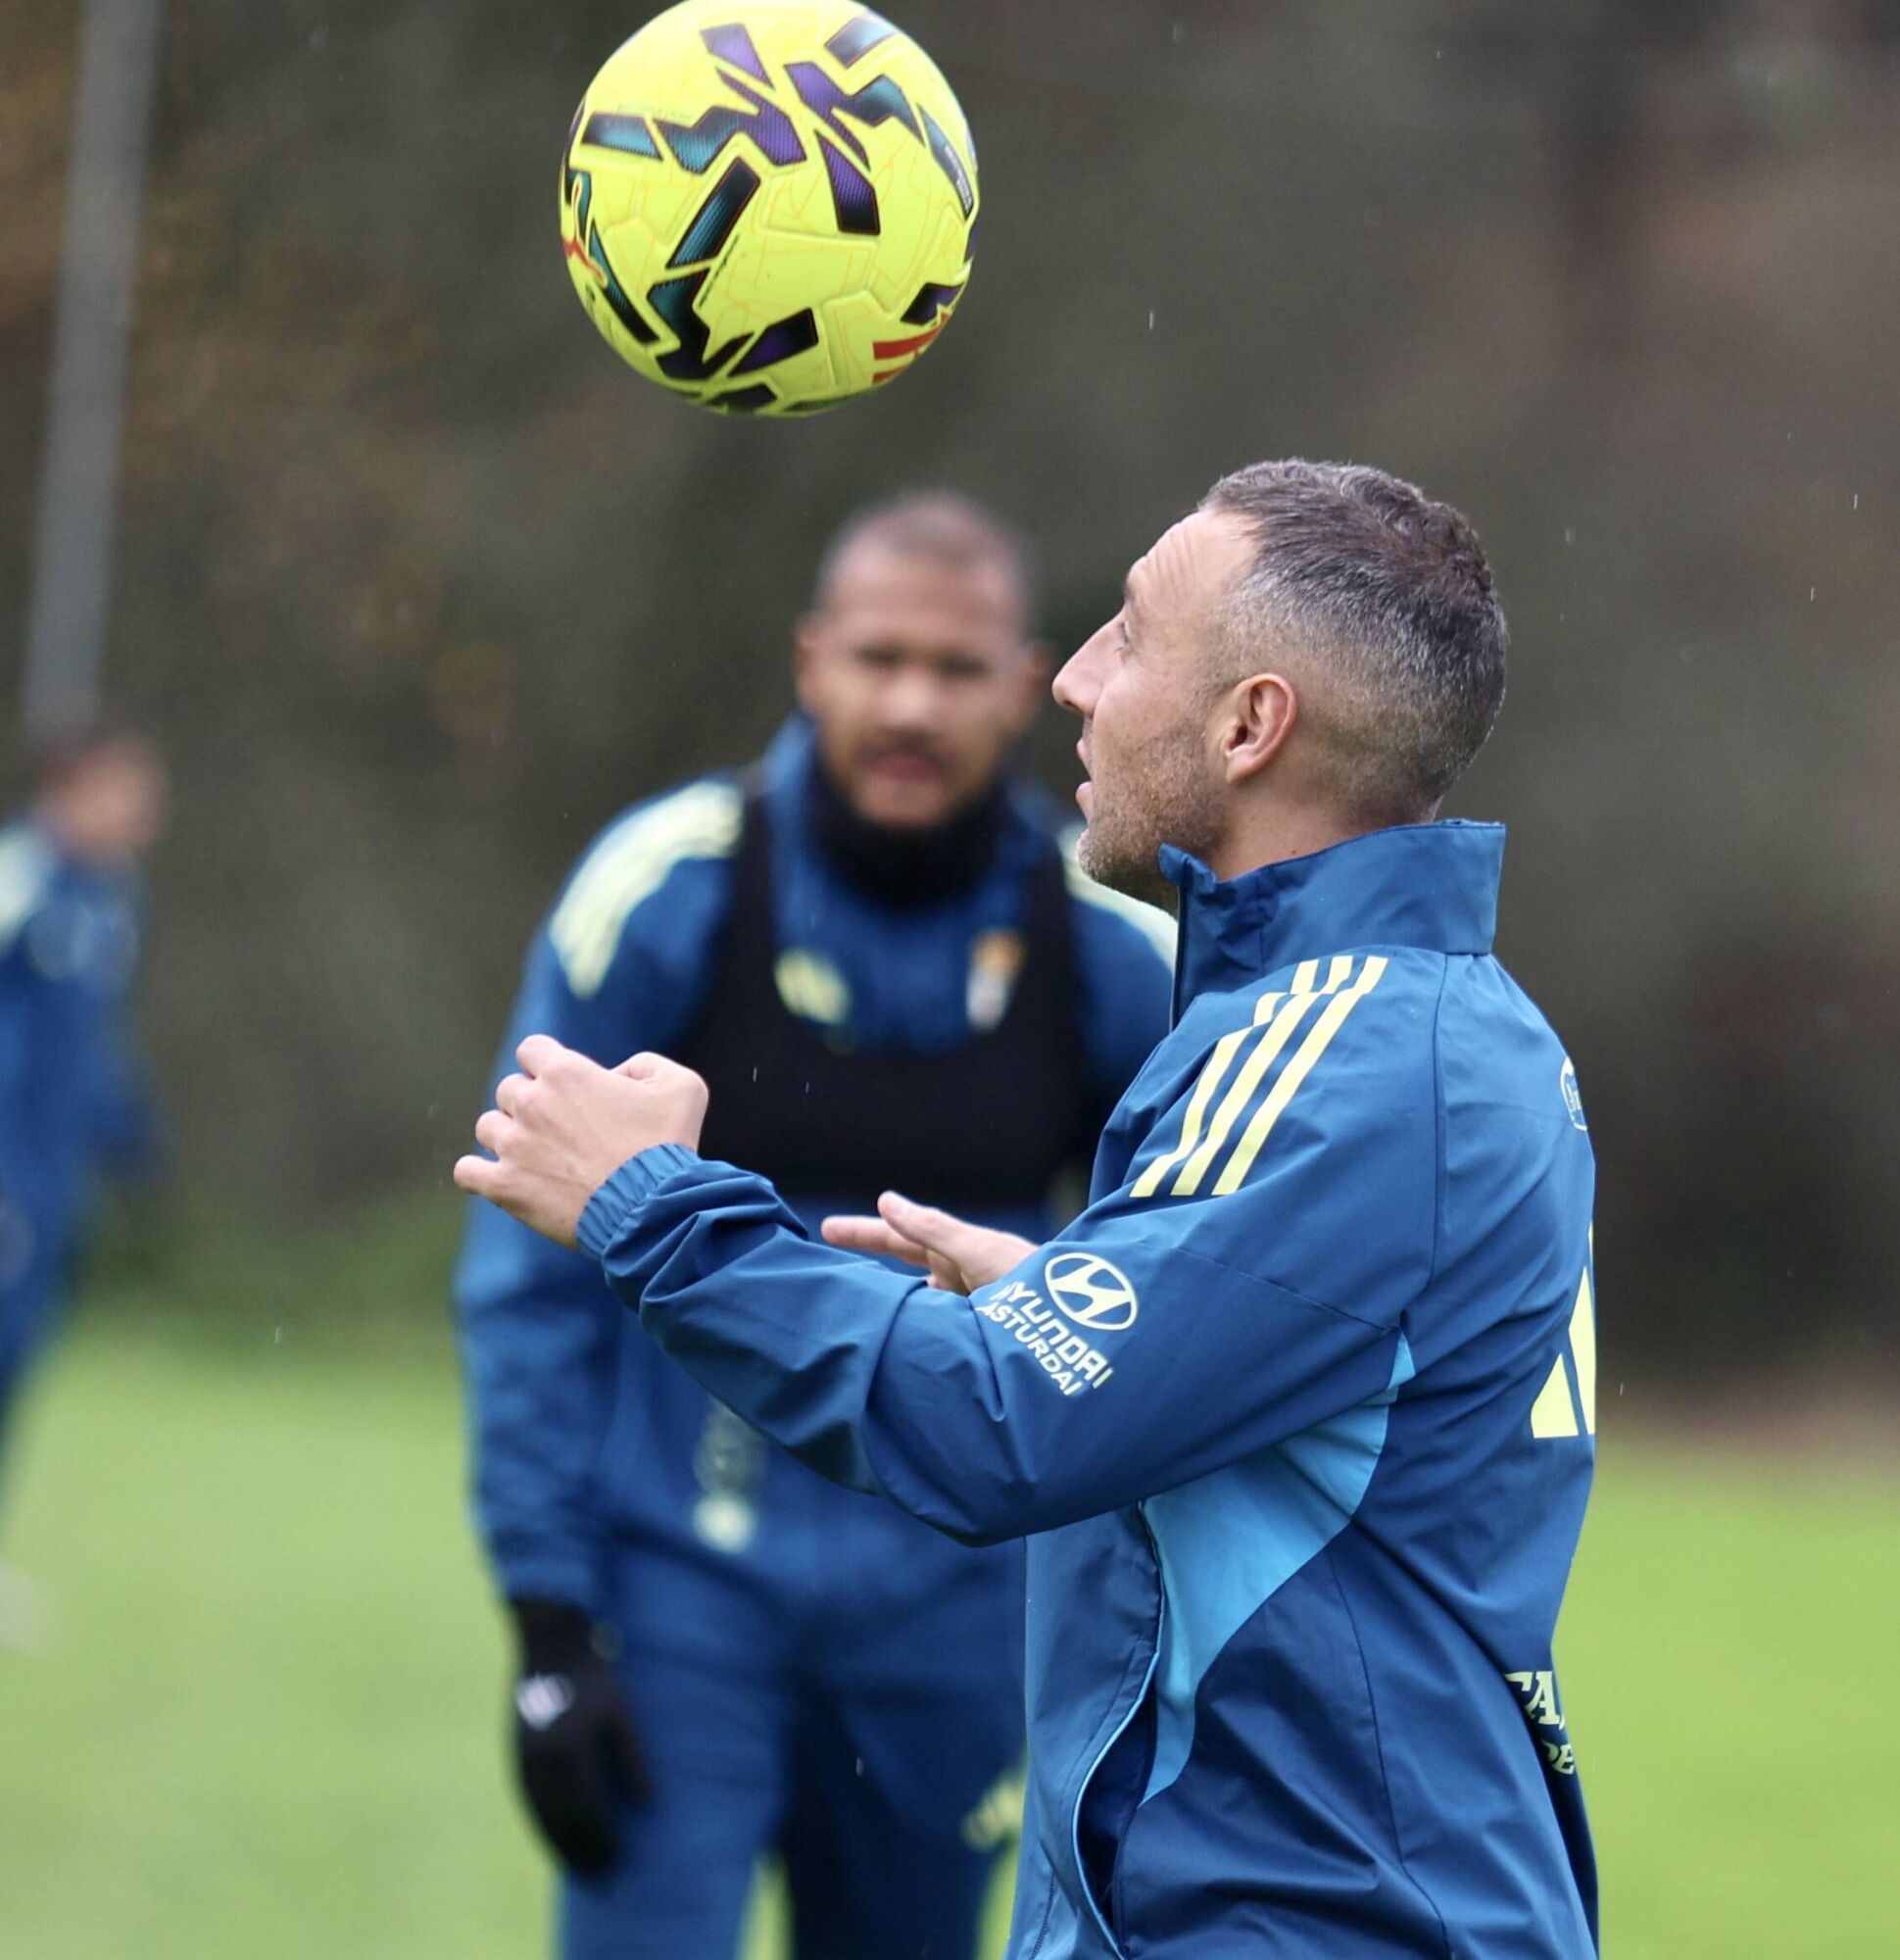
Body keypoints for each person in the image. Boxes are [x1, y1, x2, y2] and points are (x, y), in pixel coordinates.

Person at [459, 460, 1602, 1958]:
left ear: (1250, 725)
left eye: (1123, 637)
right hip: (1244, 1882)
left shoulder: (1341, 1063)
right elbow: (1258, 1347)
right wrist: (1075, 1287)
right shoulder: (1396, 1025)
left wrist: (646, 1206)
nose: (1067, 681)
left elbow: (998, 1421)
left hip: (1303, 1913)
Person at [453, 491, 1175, 1960]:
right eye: (877, 657)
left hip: (960, 1605)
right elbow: (525, 1274)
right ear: (808, 663)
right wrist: (544, 1619)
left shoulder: (1106, 937)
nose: (911, 703)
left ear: (1026, 683)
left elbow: (1171, 1290)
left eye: (957, 669)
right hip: (678, 1594)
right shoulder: (665, 890)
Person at [0, 726, 167, 1644]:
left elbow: (93, 1047)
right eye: (127, 784)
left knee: (16, 1358)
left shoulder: (114, 899)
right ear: (74, 787)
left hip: (51, 1179)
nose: (145, 805)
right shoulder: (19, 879)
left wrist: (131, 1140)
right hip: (5, 1170)